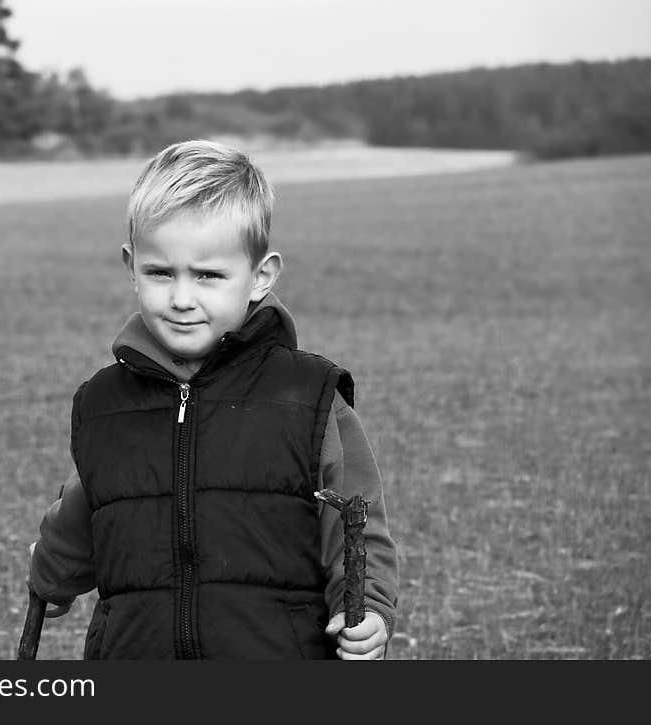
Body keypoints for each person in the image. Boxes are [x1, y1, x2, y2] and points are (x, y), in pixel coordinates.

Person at [28, 139, 398, 660]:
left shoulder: (308, 397)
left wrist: (369, 611)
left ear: (260, 276)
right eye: (161, 273)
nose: (181, 299)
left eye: (208, 275)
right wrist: (51, 573)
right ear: (131, 266)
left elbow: (358, 524)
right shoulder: (104, 402)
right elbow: (90, 505)